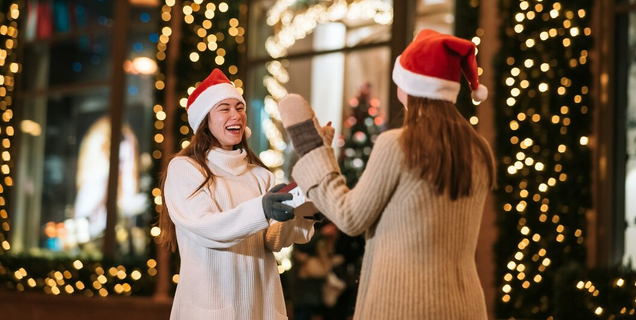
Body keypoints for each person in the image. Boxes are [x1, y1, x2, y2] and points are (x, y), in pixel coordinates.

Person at [278, 29, 496, 320]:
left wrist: (314, 152)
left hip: (404, 304)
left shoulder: (397, 144)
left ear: (408, 84)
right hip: (464, 306)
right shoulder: (479, 150)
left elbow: (350, 217)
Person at [159, 68, 316, 320]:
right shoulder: (185, 169)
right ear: (204, 121)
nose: (236, 115)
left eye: (240, 107)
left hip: (262, 307)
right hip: (212, 308)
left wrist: (301, 213)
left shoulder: (260, 175)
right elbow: (208, 228)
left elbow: (272, 241)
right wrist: (263, 209)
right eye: (224, 108)